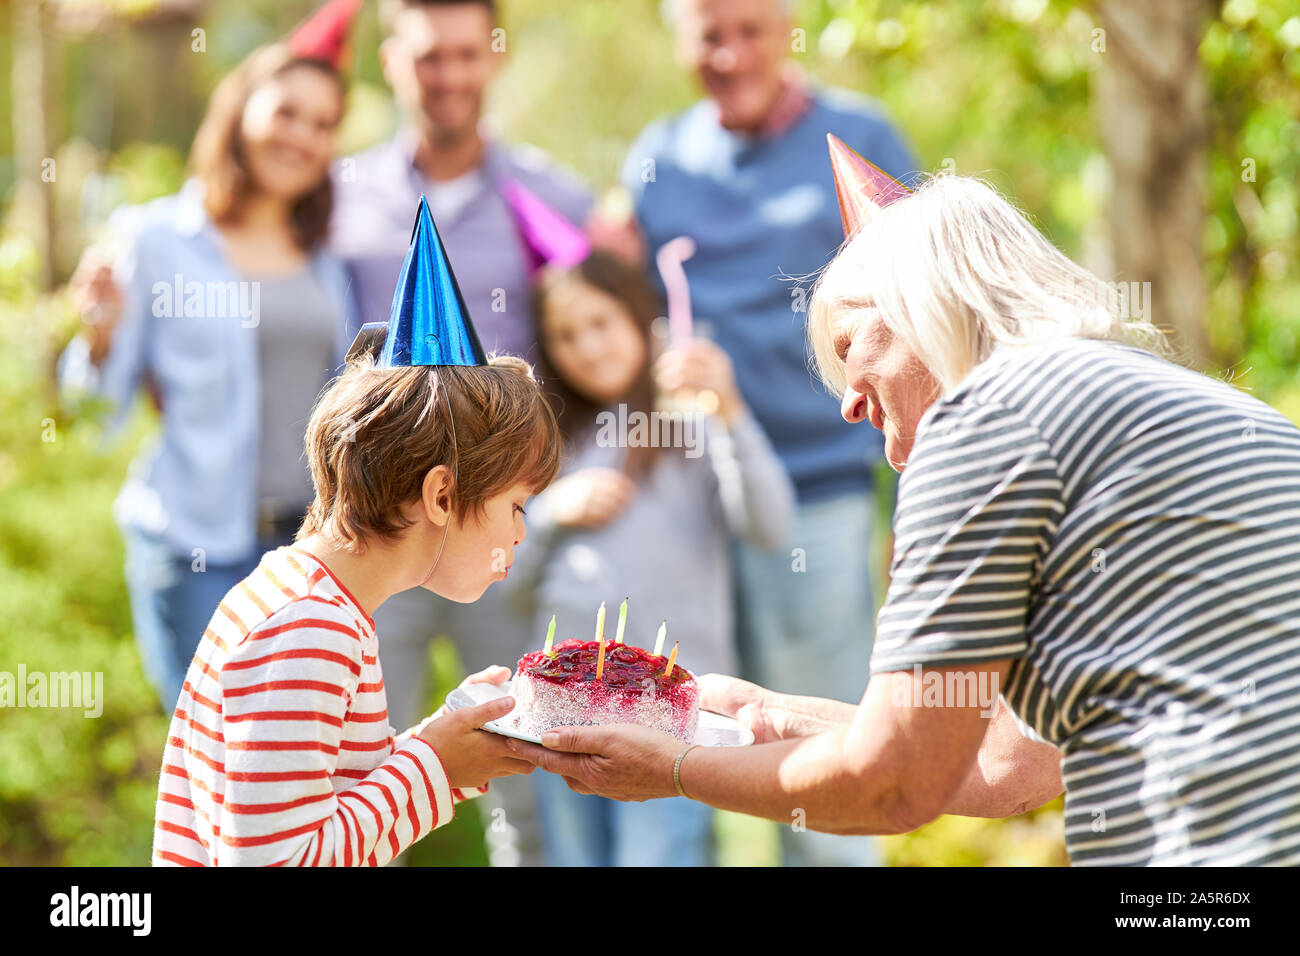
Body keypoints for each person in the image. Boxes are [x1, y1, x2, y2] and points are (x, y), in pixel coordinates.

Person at [508, 171, 1300, 867]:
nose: (849, 402)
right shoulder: (1197, 407)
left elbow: (893, 784)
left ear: (925, 305)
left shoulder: (983, 419)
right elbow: (1009, 765)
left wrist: (673, 770)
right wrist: (763, 713)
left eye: (850, 344)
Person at [151, 197, 559, 866]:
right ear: (442, 493)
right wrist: (435, 762)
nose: (522, 532)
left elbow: (324, 818)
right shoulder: (308, 626)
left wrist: (443, 743)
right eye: (516, 505)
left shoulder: (312, 600)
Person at [621, 0, 919, 866]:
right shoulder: (658, 158)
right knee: (680, 734)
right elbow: (628, 308)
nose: (730, 53)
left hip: (817, 495)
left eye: (750, 30)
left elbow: (922, 317)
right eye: (709, 34)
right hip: (692, 499)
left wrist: (918, 494)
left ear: (787, 30)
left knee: (816, 754)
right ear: (680, 39)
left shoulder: (859, 137)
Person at [328, 0, 593, 866]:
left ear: (494, 58)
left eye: (465, 54)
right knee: (357, 776)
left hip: (498, 534)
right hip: (382, 535)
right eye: (427, 55)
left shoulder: (554, 199)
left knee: (527, 762)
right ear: (390, 59)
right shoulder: (337, 197)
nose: (447, 74)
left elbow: (607, 344)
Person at [60, 39, 359, 715]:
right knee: (217, 771)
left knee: (291, 765)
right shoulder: (157, 239)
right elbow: (94, 420)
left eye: (322, 124)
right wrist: (99, 337)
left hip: (306, 549)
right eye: (286, 112)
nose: (302, 137)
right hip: (196, 548)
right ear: (240, 113)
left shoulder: (324, 256)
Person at [514, 247, 795, 866]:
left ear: (642, 320)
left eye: (600, 323)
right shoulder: (551, 445)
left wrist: (731, 411)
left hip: (668, 710)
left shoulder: (687, 426)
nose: (587, 347)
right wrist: (553, 511)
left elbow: (772, 524)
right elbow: (507, 581)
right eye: (565, 335)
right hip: (560, 703)